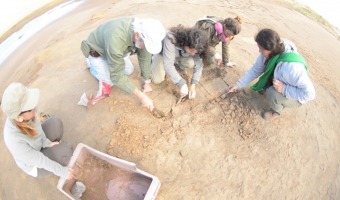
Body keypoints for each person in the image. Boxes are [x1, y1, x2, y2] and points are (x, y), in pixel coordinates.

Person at [227, 28, 315, 120]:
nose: (259, 51)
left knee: (272, 92)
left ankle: (276, 111)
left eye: (261, 49)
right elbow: (255, 70)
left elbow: (310, 94)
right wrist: (238, 84)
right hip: (281, 80)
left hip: (297, 94)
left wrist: (284, 89)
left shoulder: (292, 69)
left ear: (270, 49)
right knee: (268, 77)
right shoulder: (271, 51)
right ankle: (270, 88)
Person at [80, 17, 166, 111]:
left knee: (129, 70)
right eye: (146, 45)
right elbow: (117, 77)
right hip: (98, 53)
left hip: (116, 51)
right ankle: (92, 65)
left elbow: (144, 57)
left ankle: (109, 64)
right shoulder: (116, 40)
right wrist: (142, 97)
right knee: (111, 81)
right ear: (137, 36)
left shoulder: (142, 30)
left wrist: (146, 82)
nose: (146, 47)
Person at [1, 82, 75, 179]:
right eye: (30, 108)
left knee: (56, 123)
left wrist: (46, 143)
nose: (35, 108)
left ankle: (53, 151)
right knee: (66, 152)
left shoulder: (27, 114)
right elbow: (40, 160)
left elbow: (38, 130)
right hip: (34, 165)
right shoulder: (13, 140)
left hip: (37, 143)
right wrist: (62, 172)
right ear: (19, 117)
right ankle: (57, 154)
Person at [151, 26, 209, 99]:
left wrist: (193, 85)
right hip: (163, 53)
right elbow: (168, 65)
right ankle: (152, 57)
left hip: (178, 54)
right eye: (191, 50)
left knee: (191, 62)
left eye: (196, 52)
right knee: (157, 80)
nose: (193, 54)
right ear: (186, 44)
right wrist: (181, 84)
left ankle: (176, 63)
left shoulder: (197, 46)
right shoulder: (171, 39)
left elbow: (199, 65)